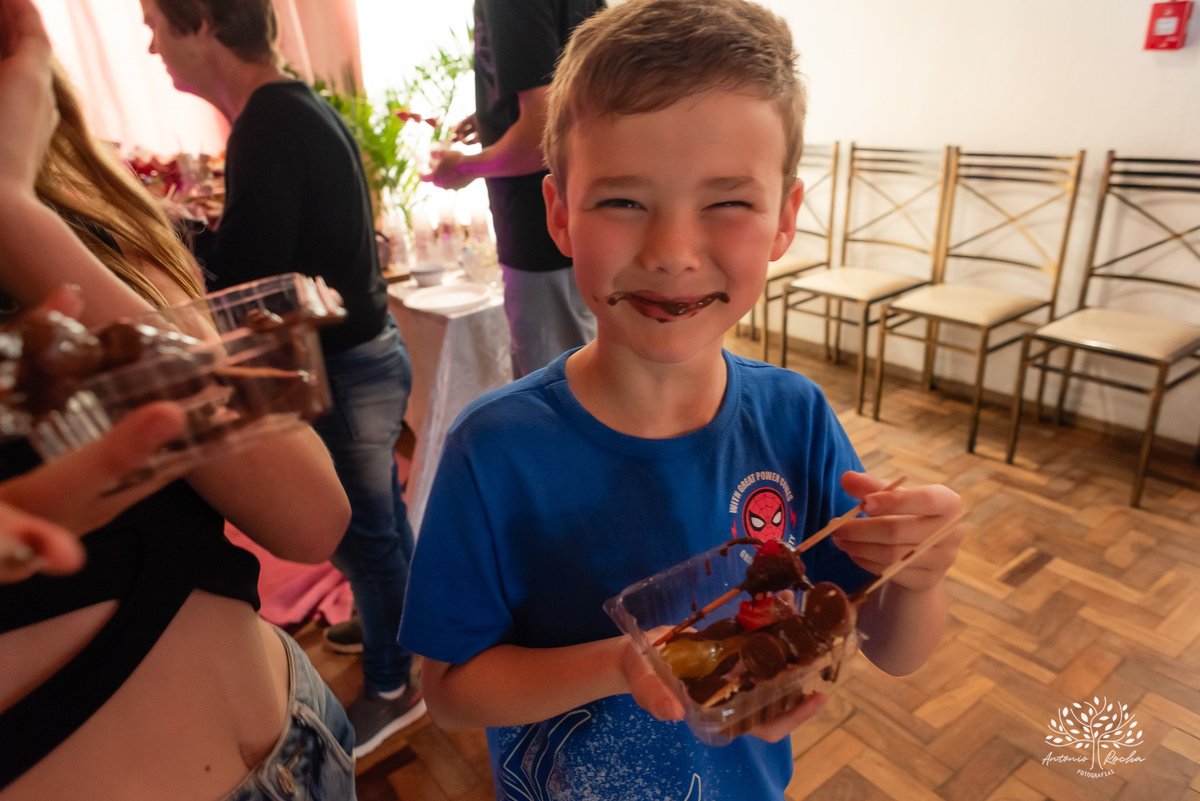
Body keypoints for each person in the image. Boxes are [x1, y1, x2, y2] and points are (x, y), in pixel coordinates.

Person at [399, 0, 965, 797]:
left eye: (728, 202)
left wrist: (920, 572)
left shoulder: (796, 420)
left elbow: (891, 647)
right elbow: (453, 691)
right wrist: (620, 665)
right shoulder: (491, 449)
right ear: (559, 213)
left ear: (782, 221)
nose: (670, 253)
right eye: (623, 201)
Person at [0, 1, 355, 798]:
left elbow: (310, 511)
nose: (146, 40)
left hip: (300, 739)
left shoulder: (78, 217)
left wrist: (18, 221)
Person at [139, 0, 424, 756]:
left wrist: (177, 236)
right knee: (379, 528)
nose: (149, 43)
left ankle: (397, 686)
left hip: (349, 368)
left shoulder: (269, 123)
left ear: (200, 22)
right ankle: (400, 623)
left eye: (154, 23)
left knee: (364, 537)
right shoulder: (287, 106)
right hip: (365, 356)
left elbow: (250, 280)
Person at [425, 0, 603, 379]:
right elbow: (578, 92)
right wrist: (494, 113)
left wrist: (465, 167)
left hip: (539, 237)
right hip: (583, 221)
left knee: (556, 395)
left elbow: (542, 132)